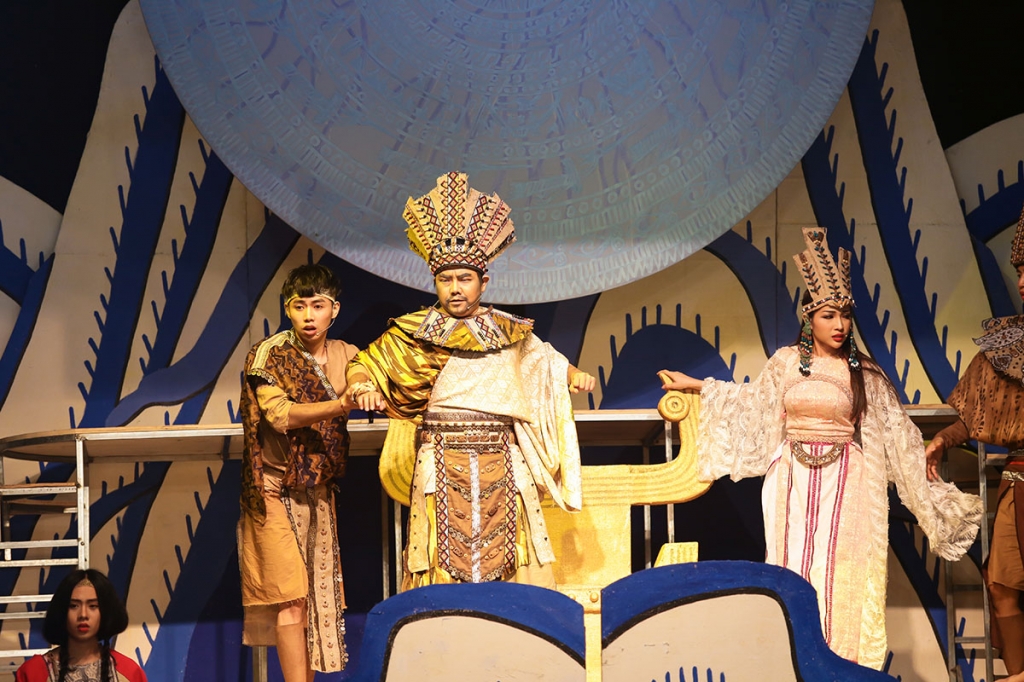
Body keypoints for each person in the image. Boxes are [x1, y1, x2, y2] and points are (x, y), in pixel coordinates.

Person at [658, 227, 982, 669]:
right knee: (791, 565)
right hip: (790, 478)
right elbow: (753, 401)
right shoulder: (787, 362)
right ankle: (792, 662)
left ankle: (840, 665)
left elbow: (898, 431)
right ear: (810, 318)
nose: (839, 325)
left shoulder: (864, 374)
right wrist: (696, 385)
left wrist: (930, 454)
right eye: (829, 315)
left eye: (845, 316)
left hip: (846, 481)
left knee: (841, 570)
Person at [346, 171, 595, 589]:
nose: (455, 289)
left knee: (513, 558)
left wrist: (574, 375)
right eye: (446, 280)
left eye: (464, 279)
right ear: (435, 282)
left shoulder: (511, 330)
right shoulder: (413, 330)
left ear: (484, 282)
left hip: (502, 459)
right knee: (438, 560)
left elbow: (546, 362)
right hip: (441, 458)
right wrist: (362, 386)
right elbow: (364, 363)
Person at [237, 263, 358, 680]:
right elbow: (281, 415)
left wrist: (364, 384)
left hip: (318, 491)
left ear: (334, 309)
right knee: (291, 597)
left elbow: (365, 374)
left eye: (318, 306)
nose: (309, 316)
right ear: (287, 309)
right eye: (299, 306)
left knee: (316, 597)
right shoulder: (270, 355)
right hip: (271, 491)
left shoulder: (346, 354)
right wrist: (341, 404)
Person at [925, 207, 1024, 680]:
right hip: (1017, 480)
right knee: (1000, 581)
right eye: (1020, 270)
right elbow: (974, 413)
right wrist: (944, 438)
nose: (1022, 281)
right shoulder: (1008, 346)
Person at [16, 568, 146, 682]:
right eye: (74, 606)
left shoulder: (129, 672)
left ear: (105, 612)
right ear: (61, 611)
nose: (83, 614)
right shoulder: (33, 673)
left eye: (93, 606)